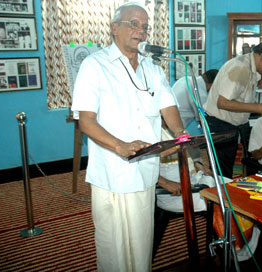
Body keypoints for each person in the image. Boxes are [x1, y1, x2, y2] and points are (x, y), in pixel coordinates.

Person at [71, 3, 186, 271]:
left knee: (142, 241)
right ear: (114, 28)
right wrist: (120, 146)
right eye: (134, 24)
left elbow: (168, 106)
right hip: (112, 170)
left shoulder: (152, 68)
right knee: (115, 244)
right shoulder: (95, 66)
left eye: (145, 27)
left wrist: (180, 134)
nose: (141, 31)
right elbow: (85, 121)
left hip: (145, 169)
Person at [203, 40, 262, 178]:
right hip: (219, 123)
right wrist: (258, 108)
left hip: (232, 123)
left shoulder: (250, 68)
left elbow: (241, 100)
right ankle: (218, 199)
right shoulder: (240, 68)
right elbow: (222, 103)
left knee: (235, 165)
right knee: (222, 172)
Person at [157, 124, 215, 213]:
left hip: (194, 182)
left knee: (235, 189)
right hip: (174, 193)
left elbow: (190, 157)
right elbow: (144, 171)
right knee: (223, 200)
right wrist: (165, 183)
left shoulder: (176, 128)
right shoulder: (149, 132)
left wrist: (199, 166)